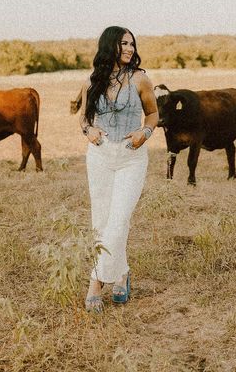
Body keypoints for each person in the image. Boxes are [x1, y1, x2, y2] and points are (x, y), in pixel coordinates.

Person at [79, 26, 159, 313]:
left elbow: (152, 113)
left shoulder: (140, 78)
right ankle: (122, 273)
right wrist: (88, 130)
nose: (129, 48)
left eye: (132, 44)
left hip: (130, 157)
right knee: (102, 222)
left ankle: (96, 284)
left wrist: (144, 133)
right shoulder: (94, 80)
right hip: (99, 156)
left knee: (118, 218)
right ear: (109, 46)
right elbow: (84, 116)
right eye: (123, 43)